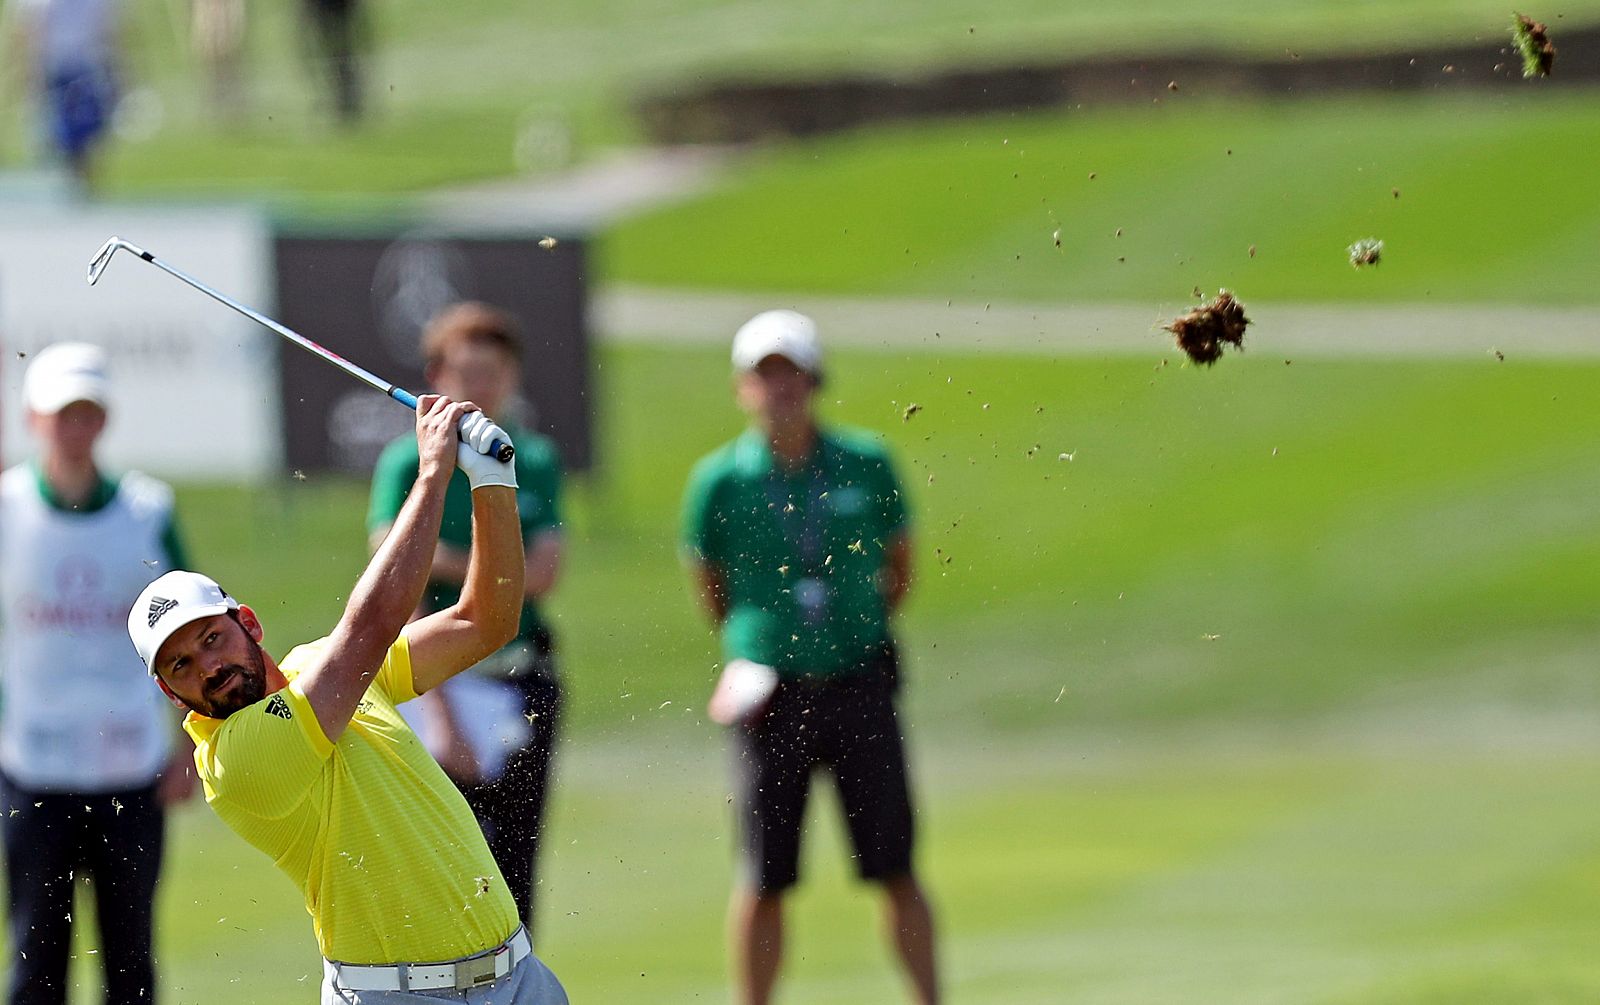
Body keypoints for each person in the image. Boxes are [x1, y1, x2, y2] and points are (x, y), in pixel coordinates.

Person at [127, 395, 567, 1004]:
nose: (210, 666)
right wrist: (433, 472)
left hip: (520, 982)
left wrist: (492, 482)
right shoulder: (233, 762)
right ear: (169, 691)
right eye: (182, 664)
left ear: (248, 624)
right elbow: (370, 626)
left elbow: (485, 622)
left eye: (212, 638)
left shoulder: (322, 669)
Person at [681, 310, 941, 1005]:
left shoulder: (866, 461)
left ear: (814, 379)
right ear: (743, 388)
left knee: (896, 866)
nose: (779, 389)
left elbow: (900, 566)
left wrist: (849, 622)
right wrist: (762, 638)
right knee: (764, 876)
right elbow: (711, 586)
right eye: (765, 375)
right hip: (771, 692)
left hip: (858, 676)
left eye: (791, 373)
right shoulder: (719, 481)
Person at [0, 343, 196, 1005]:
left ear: (103, 420)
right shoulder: (6, 507)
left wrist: (188, 745)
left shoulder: (147, 509)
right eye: (60, 413)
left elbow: (188, 637)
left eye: (85, 412)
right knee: (35, 961)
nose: (73, 427)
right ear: (33, 417)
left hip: (130, 768)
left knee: (131, 962)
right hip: (32, 767)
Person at [367, 301, 567, 940]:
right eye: (467, 373)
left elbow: (544, 574)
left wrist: (459, 570)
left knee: (517, 869)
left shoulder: (528, 455)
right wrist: (494, 572)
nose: (481, 388)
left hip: (524, 675)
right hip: (439, 684)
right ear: (438, 377)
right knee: (444, 867)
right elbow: (395, 573)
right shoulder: (410, 465)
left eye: (494, 373)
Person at [10, 0, 124, 192]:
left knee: (90, 128)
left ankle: (85, 181)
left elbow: (108, 32)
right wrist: (32, 76)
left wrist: (117, 70)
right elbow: (31, 37)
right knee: (67, 130)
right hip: (58, 70)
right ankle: (75, 179)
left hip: (86, 68)